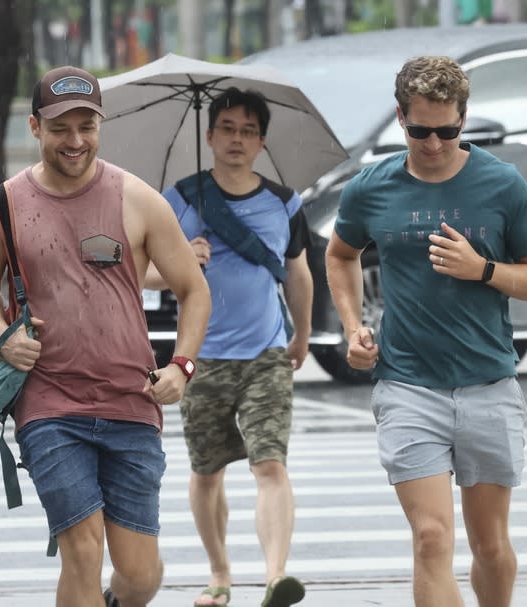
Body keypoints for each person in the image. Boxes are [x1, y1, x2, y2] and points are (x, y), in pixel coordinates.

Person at [0, 65, 211, 607]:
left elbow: (194, 290)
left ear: (100, 125)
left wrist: (181, 367)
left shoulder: (139, 200)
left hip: (132, 402)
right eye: (60, 128)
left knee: (141, 576)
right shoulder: (2, 206)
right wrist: (3, 334)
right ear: (35, 127)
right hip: (50, 403)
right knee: (82, 547)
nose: (75, 141)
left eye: (86, 126)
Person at [325, 56, 527, 607]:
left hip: (488, 385)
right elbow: (340, 255)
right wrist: (355, 327)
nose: (434, 143)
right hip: (407, 387)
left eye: (448, 130)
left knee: (491, 546)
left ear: (464, 118)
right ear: (401, 119)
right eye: (421, 130)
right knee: (431, 538)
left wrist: (483, 270)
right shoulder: (371, 188)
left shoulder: (502, 185)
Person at [145, 87, 313, 607]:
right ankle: (220, 575)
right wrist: (179, 264)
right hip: (199, 357)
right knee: (206, 471)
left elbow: (297, 272)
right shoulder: (178, 199)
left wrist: (301, 334)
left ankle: (275, 577)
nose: (236, 139)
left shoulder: (285, 201)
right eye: (228, 129)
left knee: (270, 465)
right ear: (209, 135)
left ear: (261, 141)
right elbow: (140, 274)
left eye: (248, 131)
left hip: (265, 354)